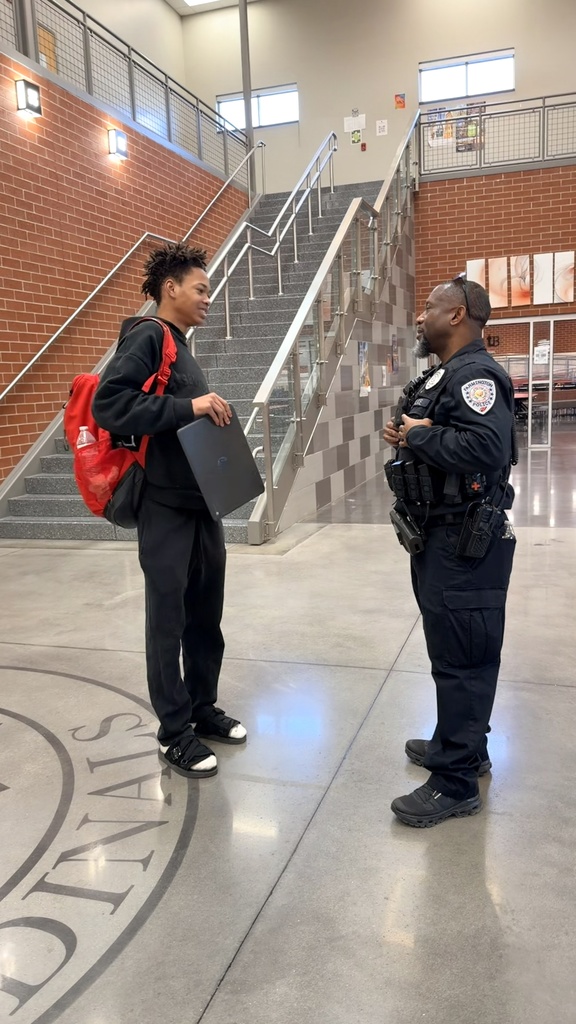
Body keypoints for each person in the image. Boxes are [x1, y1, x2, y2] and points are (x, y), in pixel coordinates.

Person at [93, 242, 246, 779]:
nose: (208, 297)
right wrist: (190, 405)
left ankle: (202, 709)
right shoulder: (149, 335)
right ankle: (174, 732)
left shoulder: (180, 345)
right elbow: (110, 404)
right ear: (170, 288)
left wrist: (204, 410)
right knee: (168, 620)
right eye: (201, 288)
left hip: (200, 503)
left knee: (205, 614)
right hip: (164, 505)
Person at [383, 275, 516, 827]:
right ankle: (462, 747)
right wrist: (413, 433)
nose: (420, 316)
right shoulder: (445, 373)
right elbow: (450, 435)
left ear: (458, 314)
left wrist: (419, 435)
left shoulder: (476, 375)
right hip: (442, 536)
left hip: (467, 541)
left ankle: (455, 783)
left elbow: (489, 445)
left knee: (464, 659)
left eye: (430, 308)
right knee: (452, 653)